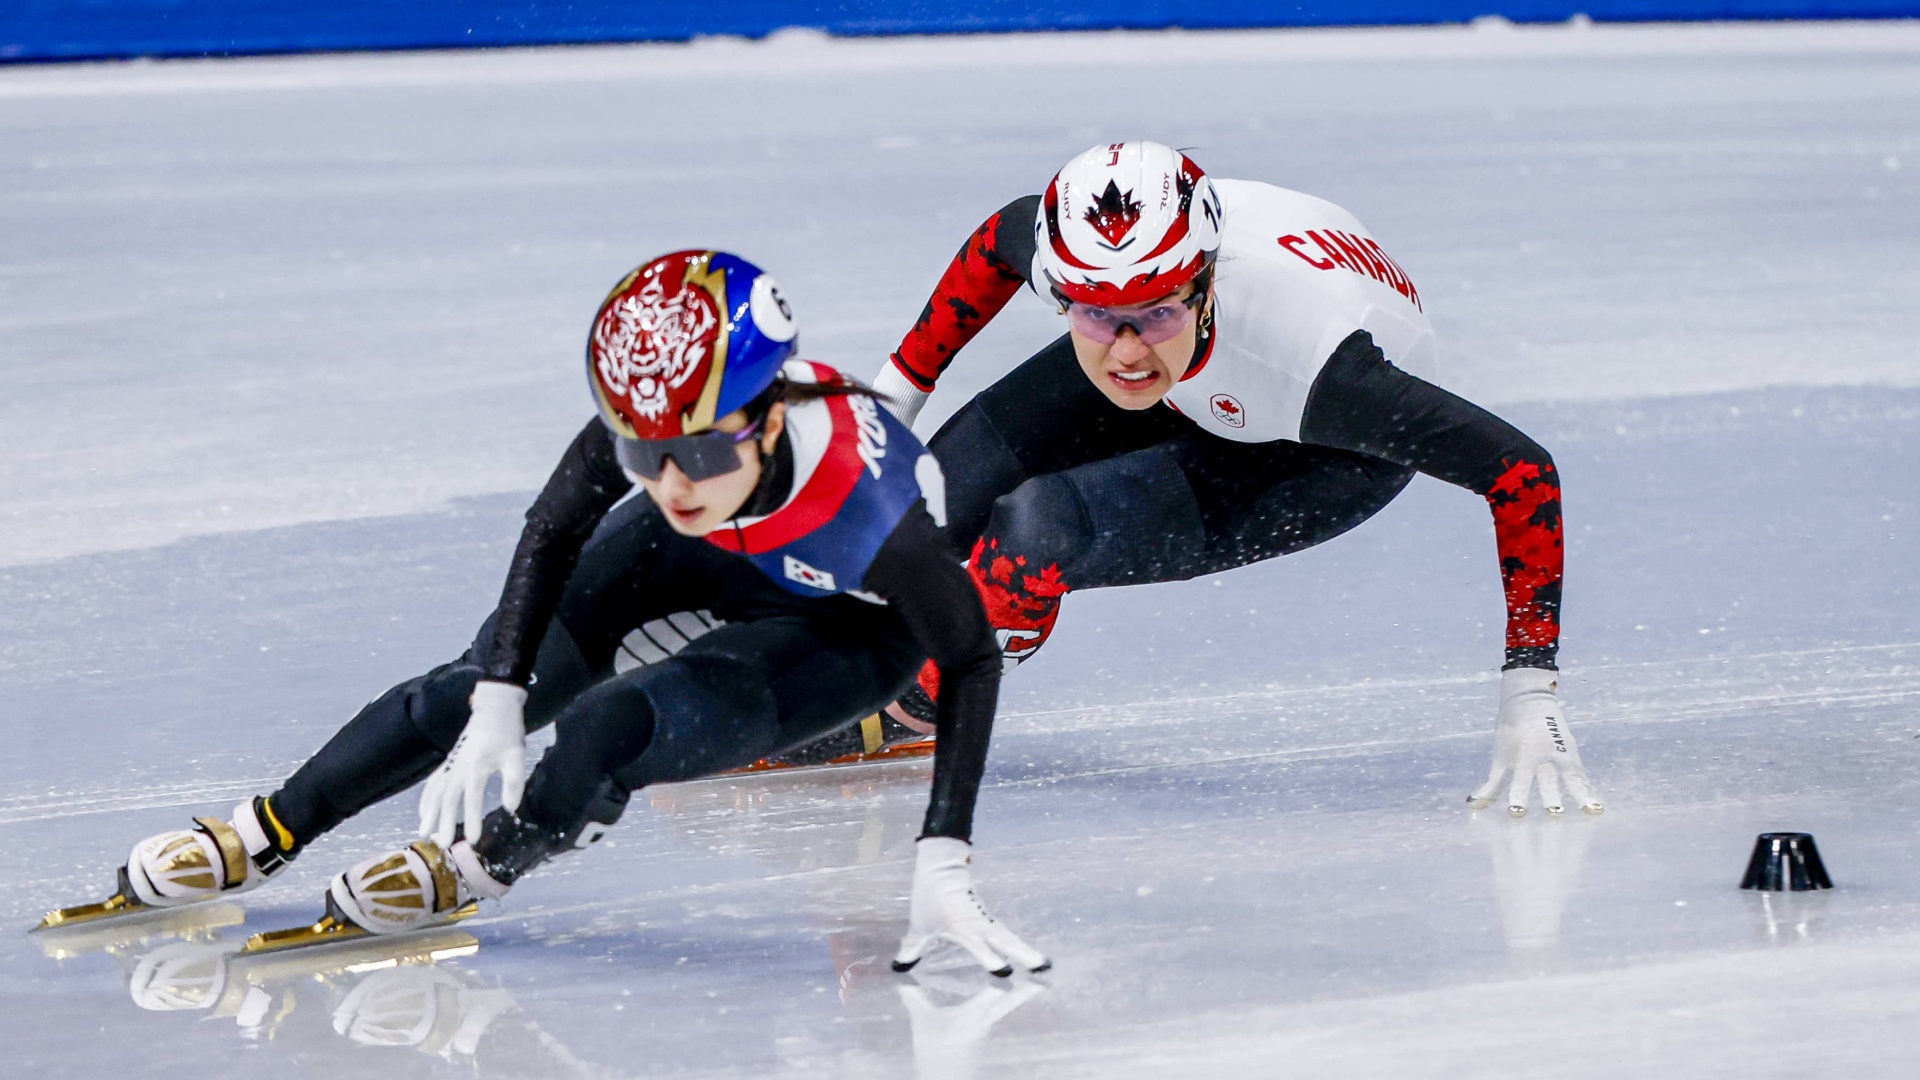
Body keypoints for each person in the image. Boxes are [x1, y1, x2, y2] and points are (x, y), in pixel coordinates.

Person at [57, 250, 1047, 977]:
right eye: (637, 452)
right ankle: (264, 829)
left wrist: (943, 853)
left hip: (845, 626)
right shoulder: (667, 413)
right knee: (461, 695)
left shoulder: (873, 509)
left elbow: (969, 659)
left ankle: (490, 862)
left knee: (607, 731)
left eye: (699, 454)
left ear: (771, 418)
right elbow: (551, 528)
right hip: (710, 560)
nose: (668, 478)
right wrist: (496, 695)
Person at [865, 141, 1602, 817]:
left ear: (1206, 283)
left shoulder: (1322, 370)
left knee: (1038, 532)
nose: (1124, 352)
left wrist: (1529, 681)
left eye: (1152, 312)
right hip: (1209, 361)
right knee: (927, 495)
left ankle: (902, 714)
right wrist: (899, 389)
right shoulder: (1094, 260)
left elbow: (1521, 471)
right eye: (1094, 315)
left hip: (1315, 446)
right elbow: (1000, 238)